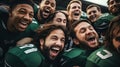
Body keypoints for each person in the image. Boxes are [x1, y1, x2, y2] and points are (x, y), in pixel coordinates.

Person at [0, 0, 34, 66]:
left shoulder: (30, 30)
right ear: (10, 12)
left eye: (31, 15)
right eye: (22, 12)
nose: (27, 18)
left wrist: (31, 39)